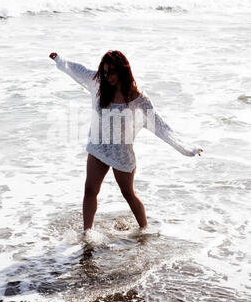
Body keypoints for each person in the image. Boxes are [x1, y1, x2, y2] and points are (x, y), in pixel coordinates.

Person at [49, 50, 203, 232]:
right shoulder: (98, 84)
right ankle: (87, 234)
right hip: (99, 146)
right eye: (105, 72)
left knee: (128, 194)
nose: (108, 77)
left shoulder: (138, 100)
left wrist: (187, 149)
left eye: (112, 72)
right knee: (90, 189)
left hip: (121, 152)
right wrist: (60, 60)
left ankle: (145, 231)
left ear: (123, 71)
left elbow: (162, 127)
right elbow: (78, 70)